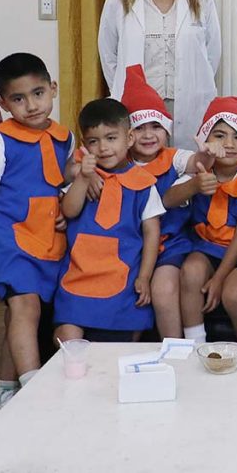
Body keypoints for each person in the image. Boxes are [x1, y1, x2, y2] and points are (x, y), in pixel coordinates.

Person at [0, 52, 73, 417]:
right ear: (3, 103)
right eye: (18, 98)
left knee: (19, 317)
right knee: (25, 306)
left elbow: (62, 185)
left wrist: (64, 209)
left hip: (50, 242)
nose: (31, 105)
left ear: (53, 89)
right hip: (10, 240)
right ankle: (34, 394)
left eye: (38, 93)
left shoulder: (65, 137)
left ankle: (5, 391)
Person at [98, 0, 221, 150]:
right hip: (139, 105)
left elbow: (211, 55)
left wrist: (194, 85)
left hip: (188, 103)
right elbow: (108, 54)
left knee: (186, 165)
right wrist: (125, 88)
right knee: (141, 166)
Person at [52, 99, 163, 343]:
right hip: (79, 276)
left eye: (111, 138)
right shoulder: (85, 176)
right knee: (67, 338)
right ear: (85, 145)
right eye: (94, 141)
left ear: (129, 138)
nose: (103, 148)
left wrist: (145, 276)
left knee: (120, 346)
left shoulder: (144, 185)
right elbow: (69, 210)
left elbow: (152, 233)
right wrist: (84, 178)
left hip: (123, 279)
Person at [164, 97, 237, 344]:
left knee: (233, 294)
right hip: (206, 246)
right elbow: (167, 200)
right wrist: (194, 185)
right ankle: (195, 344)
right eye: (220, 136)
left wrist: (219, 279)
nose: (229, 144)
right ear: (206, 139)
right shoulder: (200, 168)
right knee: (191, 271)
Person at [118, 65, 200, 339]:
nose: (148, 135)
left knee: (163, 291)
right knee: (125, 292)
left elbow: (197, 162)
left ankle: (176, 352)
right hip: (131, 247)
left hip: (169, 245)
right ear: (127, 134)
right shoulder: (118, 162)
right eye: (139, 128)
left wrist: (209, 154)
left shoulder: (173, 157)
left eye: (156, 126)